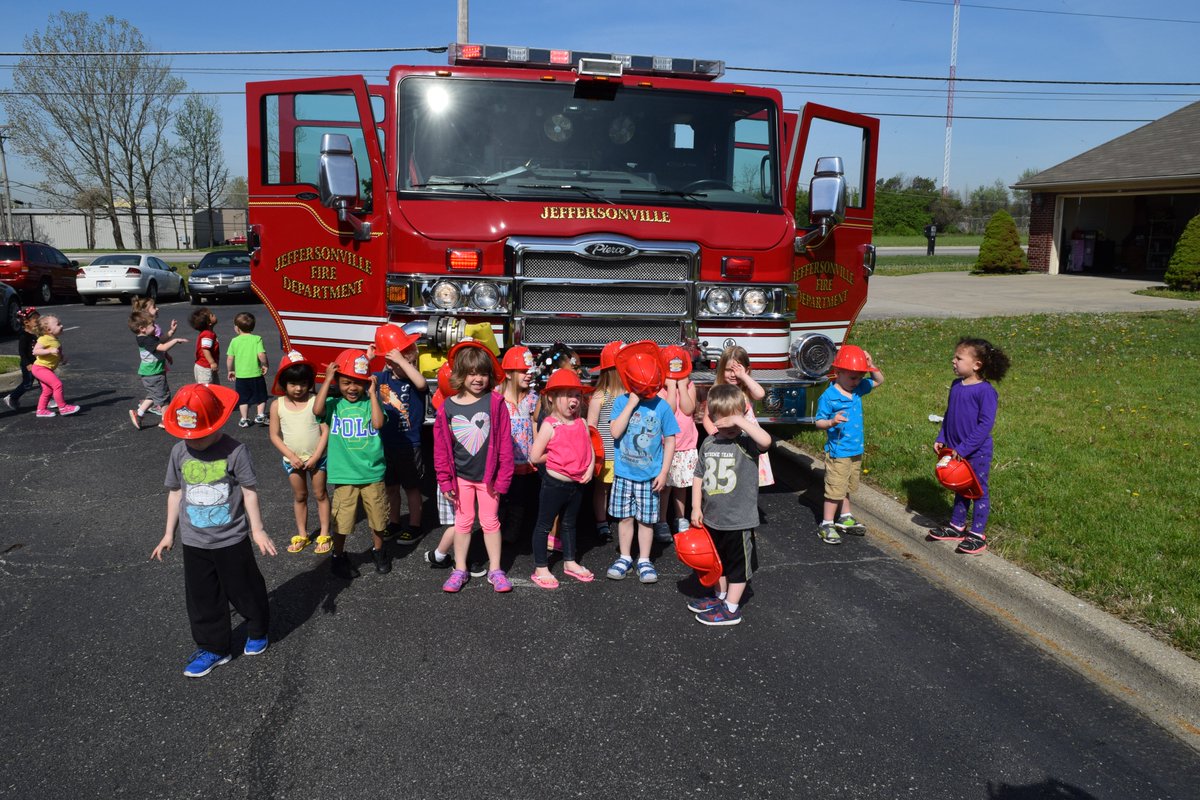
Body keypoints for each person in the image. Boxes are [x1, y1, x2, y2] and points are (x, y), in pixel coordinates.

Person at [151, 382, 276, 678]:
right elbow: (175, 493)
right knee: (202, 597)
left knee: (244, 588)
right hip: (194, 541)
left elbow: (249, 491)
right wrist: (169, 533)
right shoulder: (179, 452)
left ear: (217, 423)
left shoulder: (235, 451)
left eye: (200, 435)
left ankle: (258, 628)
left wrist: (257, 530)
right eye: (187, 436)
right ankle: (214, 647)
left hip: (231, 538)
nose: (193, 441)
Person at [432, 341, 514, 593]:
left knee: (490, 522)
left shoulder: (496, 402)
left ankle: (496, 570)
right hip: (461, 479)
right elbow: (441, 449)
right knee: (463, 522)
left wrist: (503, 479)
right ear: (460, 374)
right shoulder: (448, 406)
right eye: (471, 373)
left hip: (488, 479)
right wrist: (445, 480)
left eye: (483, 373)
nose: (478, 378)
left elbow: (505, 445)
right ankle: (459, 569)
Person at [689, 383, 772, 626]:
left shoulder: (746, 442)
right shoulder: (709, 443)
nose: (731, 427)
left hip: (739, 520)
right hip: (713, 517)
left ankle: (732, 609)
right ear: (713, 418)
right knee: (717, 563)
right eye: (725, 421)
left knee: (737, 566)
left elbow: (766, 441)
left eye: (735, 420)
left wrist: (742, 419)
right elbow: (698, 475)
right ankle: (721, 597)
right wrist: (695, 507)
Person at [927, 337, 1010, 555]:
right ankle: (957, 526)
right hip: (955, 449)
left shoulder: (985, 391)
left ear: (977, 365)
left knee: (978, 490)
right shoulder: (956, 386)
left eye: (958, 357)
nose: (953, 361)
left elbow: (985, 425)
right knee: (960, 486)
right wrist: (941, 436)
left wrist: (963, 449)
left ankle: (977, 534)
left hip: (976, 452)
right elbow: (949, 414)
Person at [605, 341, 679, 584]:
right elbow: (615, 432)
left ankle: (645, 559)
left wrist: (664, 471)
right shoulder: (620, 402)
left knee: (647, 520)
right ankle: (625, 556)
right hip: (624, 474)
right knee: (624, 518)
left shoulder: (662, 407)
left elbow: (670, 440)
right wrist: (631, 403)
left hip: (650, 475)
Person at [314, 349, 392, 578]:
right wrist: (328, 380)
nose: (352, 388)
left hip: (372, 473)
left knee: (378, 519)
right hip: (345, 475)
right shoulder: (333, 404)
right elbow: (316, 410)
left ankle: (379, 551)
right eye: (346, 382)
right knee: (342, 522)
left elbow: (378, 424)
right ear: (338, 382)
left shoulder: (370, 404)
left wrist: (374, 394)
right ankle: (338, 556)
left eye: (358, 383)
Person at [527, 369, 596, 588]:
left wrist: (590, 466)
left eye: (576, 394)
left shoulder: (582, 423)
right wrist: (557, 456)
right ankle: (540, 566)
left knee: (569, 524)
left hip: (577, 484)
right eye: (566, 394)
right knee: (544, 525)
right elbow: (535, 456)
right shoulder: (550, 425)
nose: (572, 399)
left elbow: (590, 448)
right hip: (554, 484)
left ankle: (569, 561)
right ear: (552, 398)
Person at [814, 344, 884, 544]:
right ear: (838, 372)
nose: (857, 381)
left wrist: (871, 365)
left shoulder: (858, 389)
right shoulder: (829, 396)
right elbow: (818, 421)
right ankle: (826, 523)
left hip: (855, 450)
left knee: (847, 486)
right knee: (835, 488)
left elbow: (879, 380)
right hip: (838, 451)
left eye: (861, 377)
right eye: (853, 377)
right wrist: (831, 422)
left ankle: (845, 517)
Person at [268, 352, 331, 556]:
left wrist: (315, 457)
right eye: (293, 384)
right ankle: (302, 534)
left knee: (320, 494)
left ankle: (324, 533)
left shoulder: (316, 401)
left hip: (317, 458)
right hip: (292, 460)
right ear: (284, 383)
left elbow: (325, 431)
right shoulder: (277, 405)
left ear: (310, 383)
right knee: (300, 496)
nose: (298, 388)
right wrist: (292, 456)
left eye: (303, 383)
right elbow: (274, 435)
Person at [372, 331, 428, 542]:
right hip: (386, 443)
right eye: (401, 359)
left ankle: (415, 525)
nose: (408, 361)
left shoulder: (413, 380)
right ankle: (394, 522)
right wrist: (370, 359)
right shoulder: (383, 377)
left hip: (409, 444)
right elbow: (364, 379)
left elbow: (422, 383)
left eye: (409, 358)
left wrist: (403, 363)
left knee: (412, 488)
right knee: (391, 488)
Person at [499, 345, 540, 545]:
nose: (529, 375)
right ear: (508, 374)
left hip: (525, 459)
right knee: (500, 497)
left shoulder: (532, 398)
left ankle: (511, 535)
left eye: (530, 371)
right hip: (503, 461)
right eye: (524, 371)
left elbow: (535, 424)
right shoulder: (497, 398)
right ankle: (496, 530)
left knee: (520, 498)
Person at [586, 340, 625, 544]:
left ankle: (621, 518)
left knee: (623, 486)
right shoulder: (600, 396)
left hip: (625, 452)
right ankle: (601, 522)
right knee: (602, 488)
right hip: (607, 452)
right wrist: (594, 453)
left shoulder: (630, 395)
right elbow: (592, 427)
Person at [660, 345, 699, 538]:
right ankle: (661, 520)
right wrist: (671, 387)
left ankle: (680, 517)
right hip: (666, 447)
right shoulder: (660, 389)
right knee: (665, 487)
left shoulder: (690, 385)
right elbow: (668, 410)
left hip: (685, 446)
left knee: (681, 486)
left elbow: (687, 409)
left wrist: (682, 387)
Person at [128, 310, 187, 430]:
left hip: (150, 374)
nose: (155, 327)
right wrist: (175, 340)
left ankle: (138, 414)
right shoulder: (146, 340)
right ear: (142, 328)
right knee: (164, 398)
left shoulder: (147, 337)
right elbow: (163, 346)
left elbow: (161, 341)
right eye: (152, 325)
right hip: (153, 374)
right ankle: (165, 421)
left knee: (154, 395)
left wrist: (171, 332)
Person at [701, 345, 765, 436]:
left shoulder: (747, 388)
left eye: (737, 370)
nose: (732, 374)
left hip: (748, 438)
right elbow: (707, 418)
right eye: (728, 370)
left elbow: (760, 394)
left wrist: (743, 376)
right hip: (725, 437)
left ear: (746, 370)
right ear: (721, 370)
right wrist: (715, 435)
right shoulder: (716, 391)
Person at [30, 315, 80, 418]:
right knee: (57, 385)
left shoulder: (55, 339)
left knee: (47, 390)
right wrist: (49, 350)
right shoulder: (44, 339)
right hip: (40, 368)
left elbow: (56, 352)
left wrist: (62, 358)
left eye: (60, 323)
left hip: (45, 369)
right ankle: (63, 408)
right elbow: (35, 351)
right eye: (58, 324)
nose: (61, 326)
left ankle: (41, 410)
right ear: (48, 329)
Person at [225, 312, 269, 427]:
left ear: (237, 328)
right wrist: (265, 365)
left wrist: (230, 370)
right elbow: (261, 355)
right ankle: (260, 415)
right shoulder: (257, 339)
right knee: (261, 396)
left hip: (241, 376)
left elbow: (230, 358)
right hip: (256, 374)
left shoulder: (234, 341)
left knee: (243, 399)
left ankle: (244, 419)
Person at [3, 307, 40, 410]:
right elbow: (22, 352)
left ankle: (48, 400)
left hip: (39, 363)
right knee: (27, 384)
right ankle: (12, 397)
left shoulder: (37, 333)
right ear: (27, 322)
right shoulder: (24, 336)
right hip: (28, 364)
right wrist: (27, 363)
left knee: (44, 381)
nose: (39, 322)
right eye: (36, 320)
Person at [189, 307, 220, 385]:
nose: (215, 315)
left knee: (214, 387)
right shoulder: (207, 334)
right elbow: (205, 349)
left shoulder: (209, 333)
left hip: (207, 366)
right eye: (212, 315)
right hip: (205, 367)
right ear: (209, 322)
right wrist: (212, 362)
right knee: (206, 388)